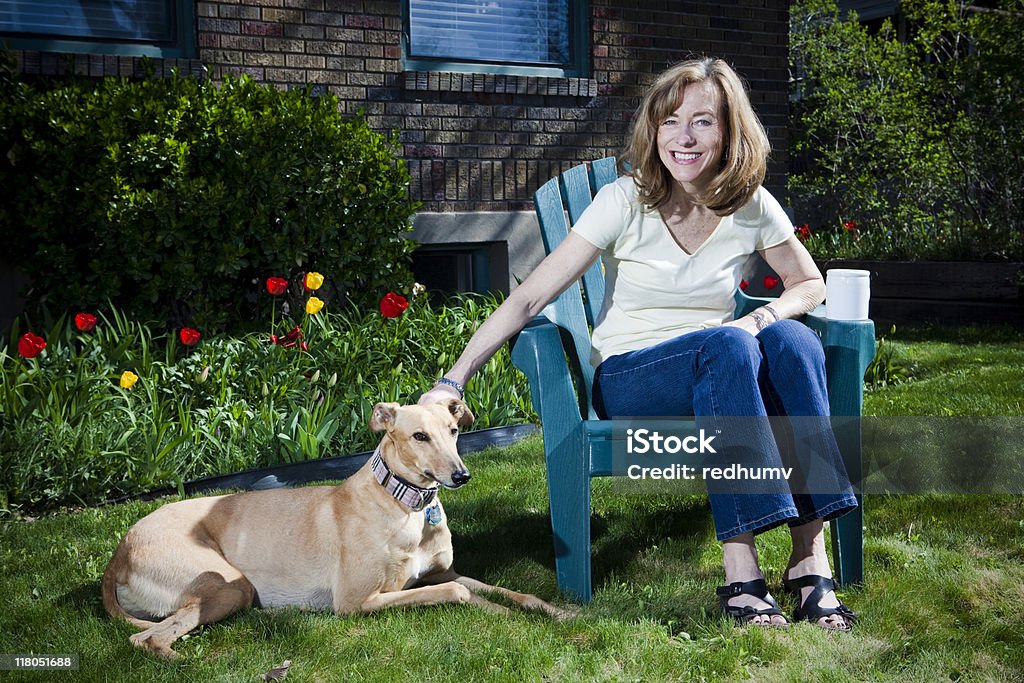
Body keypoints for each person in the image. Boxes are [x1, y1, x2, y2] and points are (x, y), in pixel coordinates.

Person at [418, 57, 858, 631]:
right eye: (670, 121)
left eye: (703, 121)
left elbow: (809, 283)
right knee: (728, 348)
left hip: (724, 369)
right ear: (653, 130)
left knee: (795, 342)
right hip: (634, 379)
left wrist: (759, 320)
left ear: (731, 130)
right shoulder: (626, 200)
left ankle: (809, 559)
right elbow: (529, 299)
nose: (683, 137)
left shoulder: (749, 204)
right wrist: (453, 380)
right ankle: (741, 574)